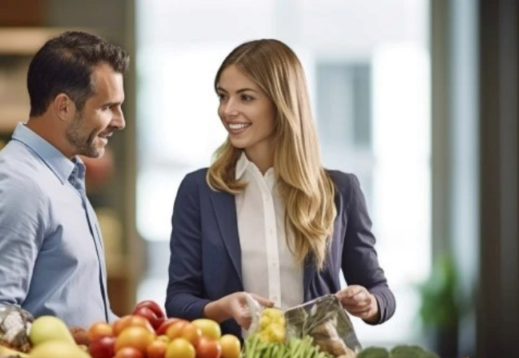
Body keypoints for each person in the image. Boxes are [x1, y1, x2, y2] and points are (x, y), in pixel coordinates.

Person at [165, 39, 396, 338]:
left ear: (282, 102)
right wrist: (222, 308)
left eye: (245, 97)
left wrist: (369, 302)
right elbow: (178, 300)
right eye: (223, 96)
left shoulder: (341, 189)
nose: (227, 110)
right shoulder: (199, 190)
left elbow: (381, 292)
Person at [0, 31, 128, 332]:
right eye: (106, 107)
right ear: (63, 107)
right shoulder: (17, 185)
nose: (120, 121)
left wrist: (123, 331)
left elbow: (67, 303)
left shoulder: (64, 175)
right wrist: (68, 342)